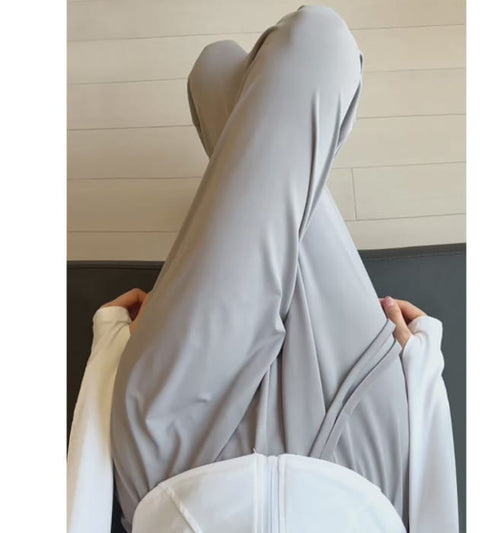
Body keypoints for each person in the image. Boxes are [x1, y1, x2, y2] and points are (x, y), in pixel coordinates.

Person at [67, 5, 459, 532]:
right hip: (358, 460)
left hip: (175, 457)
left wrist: (109, 353)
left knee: (220, 67)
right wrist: (423, 370)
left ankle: (234, 109)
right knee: (315, 42)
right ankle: (232, 109)